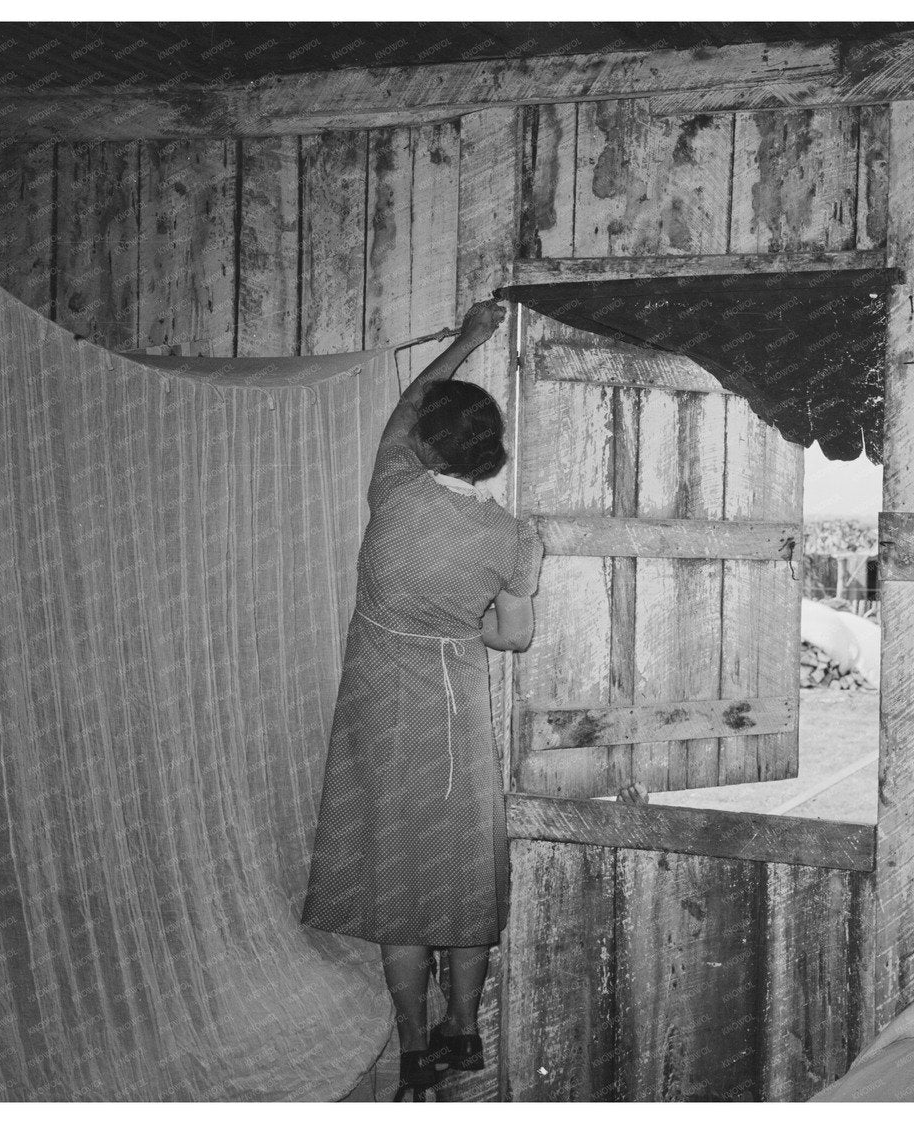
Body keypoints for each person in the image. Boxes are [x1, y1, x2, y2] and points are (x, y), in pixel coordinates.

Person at [301, 298, 544, 1100]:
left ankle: (413, 1047)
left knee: (399, 879)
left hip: (376, 718)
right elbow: (513, 640)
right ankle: (465, 1032)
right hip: (454, 721)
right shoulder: (513, 537)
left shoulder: (394, 492)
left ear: (429, 445)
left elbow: (407, 407)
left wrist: (469, 339)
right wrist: (465, 618)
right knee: (461, 874)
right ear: (494, 456)